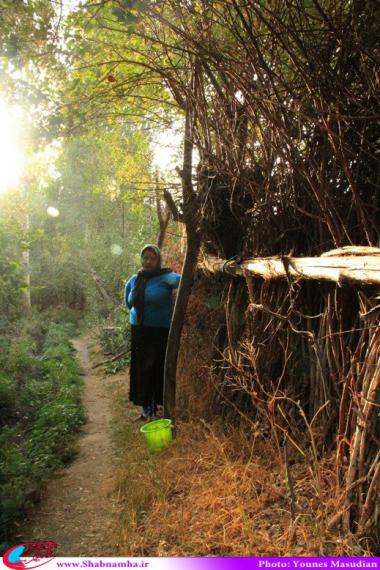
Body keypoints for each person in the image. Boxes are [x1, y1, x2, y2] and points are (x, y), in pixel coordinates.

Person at [124, 244, 181, 420]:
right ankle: (145, 409)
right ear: (141, 259)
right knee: (141, 369)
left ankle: (158, 407)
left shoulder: (167, 277)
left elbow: (185, 280)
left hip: (159, 331)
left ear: (158, 260)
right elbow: (128, 302)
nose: (148, 261)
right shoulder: (135, 279)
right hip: (139, 330)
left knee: (157, 368)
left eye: (152, 258)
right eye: (145, 258)